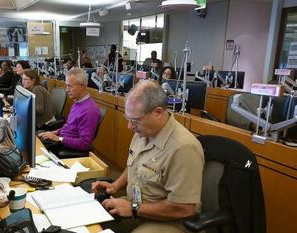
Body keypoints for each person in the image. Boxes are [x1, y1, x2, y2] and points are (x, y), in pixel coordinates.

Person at [92, 80, 204, 233]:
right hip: (139, 206)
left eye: (134, 120)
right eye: (127, 118)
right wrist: (115, 185)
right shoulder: (144, 132)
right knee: (95, 216)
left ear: (158, 113)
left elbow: (184, 208)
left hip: (172, 220)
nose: (129, 126)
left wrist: (134, 208)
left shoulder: (183, 148)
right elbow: (135, 165)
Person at [38, 68, 101, 156]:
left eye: (70, 86)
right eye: (66, 86)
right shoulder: (77, 103)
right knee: (38, 135)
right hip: (62, 139)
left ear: (82, 86)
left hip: (67, 146)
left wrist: (59, 138)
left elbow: (84, 144)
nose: (66, 90)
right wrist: (55, 132)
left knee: (35, 146)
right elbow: (68, 126)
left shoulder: (90, 111)